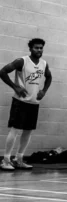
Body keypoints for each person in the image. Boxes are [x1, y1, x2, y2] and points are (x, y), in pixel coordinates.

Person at [1, 39, 52, 171]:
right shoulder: (21, 61)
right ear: (30, 49)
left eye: (41, 48)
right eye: (36, 48)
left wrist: (44, 91)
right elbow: (2, 72)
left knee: (28, 131)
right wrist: (15, 87)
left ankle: (19, 159)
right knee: (15, 129)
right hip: (20, 101)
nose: (39, 50)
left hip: (34, 102)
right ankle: (6, 160)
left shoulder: (44, 64)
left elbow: (49, 77)